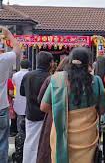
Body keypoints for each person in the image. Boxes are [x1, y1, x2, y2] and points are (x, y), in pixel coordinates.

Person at [40, 48, 105, 163]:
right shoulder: (96, 81)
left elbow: (44, 107)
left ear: (70, 62)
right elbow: (101, 110)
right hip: (87, 139)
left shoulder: (57, 80)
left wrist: (60, 110)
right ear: (88, 63)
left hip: (62, 136)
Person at [21, 51, 54, 163]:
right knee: (43, 143)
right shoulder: (50, 78)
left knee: (29, 140)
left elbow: (22, 93)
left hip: (30, 113)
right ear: (50, 63)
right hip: (44, 115)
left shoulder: (27, 75)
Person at [36, 57, 69, 163]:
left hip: (53, 115)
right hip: (70, 118)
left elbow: (41, 100)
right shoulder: (77, 79)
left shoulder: (52, 78)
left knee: (49, 145)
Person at [0, 26, 21, 162]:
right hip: (2, 107)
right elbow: (17, 50)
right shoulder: (4, 59)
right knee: (2, 141)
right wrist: (8, 34)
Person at [12, 59, 30, 134]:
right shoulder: (30, 74)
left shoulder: (15, 75)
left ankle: (20, 137)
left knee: (19, 119)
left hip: (18, 99)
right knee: (28, 122)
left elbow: (14, 85)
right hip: (28, 100)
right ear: (29, 66)